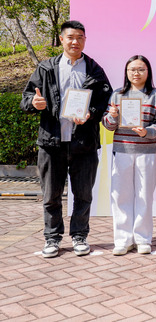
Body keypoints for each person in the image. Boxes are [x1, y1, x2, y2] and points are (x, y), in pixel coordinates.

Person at [20, 20, 113, 258]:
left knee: (83, 194)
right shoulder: (46, 68)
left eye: (80, 37)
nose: (75, 42)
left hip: (84, 143)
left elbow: (105, 100)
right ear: (61, 39)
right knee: (51, 195)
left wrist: (91, 113)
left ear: (85, 40)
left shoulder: (94, 69)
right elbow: (27, 97)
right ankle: (52, 238)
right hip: (52, 142)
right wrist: (33, 102)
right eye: (70, 37)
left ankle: (80, 236)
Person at [102, 55, 156, 255]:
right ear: (126, 72)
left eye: (141, 69)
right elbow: (108, 125)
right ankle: (123, 240)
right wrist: (113, 116)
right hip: (122, 151)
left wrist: (147, 132)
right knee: (120, 196)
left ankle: (142, 239)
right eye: (132, 69)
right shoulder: (117, 95)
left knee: (144, 196)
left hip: (147, 152)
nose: (136, 73)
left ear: (148, 72)